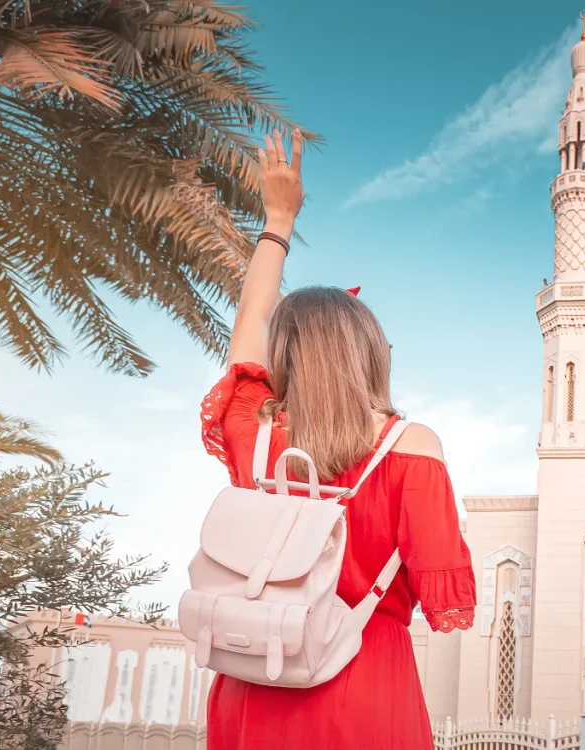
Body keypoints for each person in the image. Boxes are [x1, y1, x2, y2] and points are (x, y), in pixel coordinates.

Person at [198, 129, 475, 749]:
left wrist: (277, 219)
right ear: (370, 353)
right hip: (365, 684)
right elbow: (442, 593)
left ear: (284, 355)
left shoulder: (258, 438)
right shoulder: (413, 450)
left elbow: (248, 326)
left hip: (259, 675)